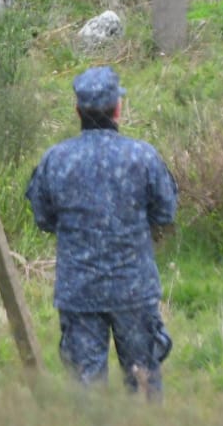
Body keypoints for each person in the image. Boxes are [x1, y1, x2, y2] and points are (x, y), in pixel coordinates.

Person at [25, 66, 178, 398]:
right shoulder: (143, 156)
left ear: (77, 110)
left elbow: (43, 217)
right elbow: (165, 212)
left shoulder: (56, 159)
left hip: (79, 289)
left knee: (86, 389)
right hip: (133, 287)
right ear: (117, 109)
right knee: (143, 383)